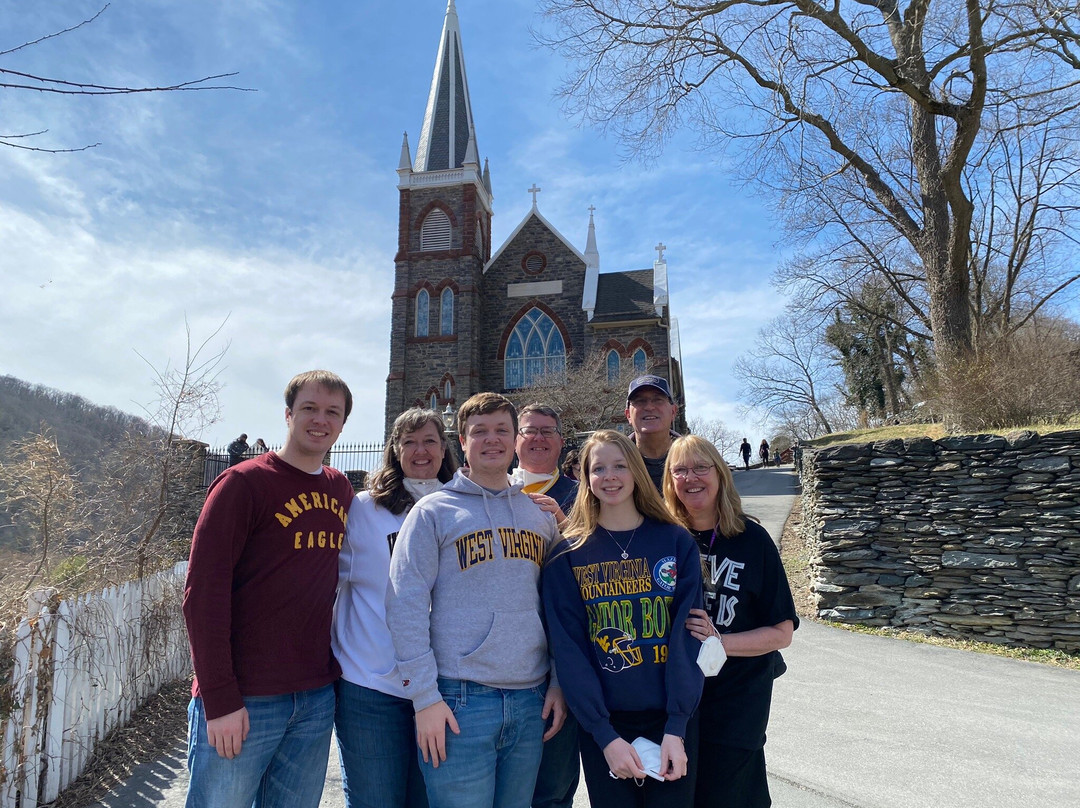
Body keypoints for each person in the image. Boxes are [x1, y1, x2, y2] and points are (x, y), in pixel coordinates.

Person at [183, 370, 354, 808]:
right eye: (310, 408)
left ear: (343, 423)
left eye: (332, 412)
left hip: (314, 697)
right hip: (245, 697)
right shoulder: (243, 484)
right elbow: (202, 596)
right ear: (288, 414)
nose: (320, 420)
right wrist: (220, 698)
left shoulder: (339, 489)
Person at [385, 392, 566, 808]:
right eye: (479, 431)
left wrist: (558, 681)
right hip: (458, 699)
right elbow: (404, 603)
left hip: (530, 698)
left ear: (515, 439)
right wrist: (425, 698)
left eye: (502, 430)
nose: (492, 440)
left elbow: (558, 607)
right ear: (462, 442)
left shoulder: (538, 515)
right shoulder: (433, 512)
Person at [543, 430, 703, 808]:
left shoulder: (675, 541)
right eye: (598, 468)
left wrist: (676, 727)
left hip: (672, 722)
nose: (610, 476)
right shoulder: (567, 553)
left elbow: (687, 636)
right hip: (607, 726)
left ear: (635, 471)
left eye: (619, 465)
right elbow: (570, 649)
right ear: (586, 479)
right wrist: (603, 734)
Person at [662, 435, 798, 808]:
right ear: (670, 482)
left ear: (720, 474)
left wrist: (718, 642)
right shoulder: (662, 540)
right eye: (680, 470)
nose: (691, 477)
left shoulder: (751, 539)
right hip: (673, 703)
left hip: (738, 702)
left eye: (701, 467)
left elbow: (782, 633)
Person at [332, 408, 458, 808]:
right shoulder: (364, 510)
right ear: (394, 450)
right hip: (371, 688)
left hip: (444, 687)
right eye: (409, 442)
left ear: (445, 448)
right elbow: (327, 583)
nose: (420, 450)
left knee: (430, 800)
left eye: (430, 441)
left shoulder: (465, 506)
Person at [509, 403, 580, 808]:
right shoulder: (491, 489)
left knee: (552, 787)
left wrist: (567, 529)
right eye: (529, 430)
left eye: (547, 431)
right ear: (516, 438)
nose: (537, 438)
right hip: (504, 662)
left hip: (563, 659)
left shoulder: (582, 495)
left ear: (560, 441)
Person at [625, 375, 680, 493]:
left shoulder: (698, 458)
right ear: (628, 415)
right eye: (640, 401)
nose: (649, 407)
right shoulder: (614, 462)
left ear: (673, 412)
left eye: (658, 400)